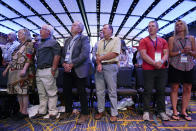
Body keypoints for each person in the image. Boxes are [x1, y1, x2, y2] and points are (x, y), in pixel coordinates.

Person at [60, 21, 90, 125]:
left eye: (75, 25)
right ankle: (68, 111)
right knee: (66, 91)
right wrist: (64, 64)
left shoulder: (84, 38)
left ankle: (85, 113)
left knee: (81, 92)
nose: (72, 26)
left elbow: (84, 54)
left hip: (78, 68)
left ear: (80, 29)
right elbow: (63, 54)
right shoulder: (67, 40)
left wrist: (72, 64)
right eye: (72, 24)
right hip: (67, 69)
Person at [139, 21, 170, 121]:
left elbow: (166, 54)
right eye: (149, 26)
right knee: (147, 90)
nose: (150, 28)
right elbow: (143, 55)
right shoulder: (144, 40)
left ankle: (161, 111)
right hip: (148, 69)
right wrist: (154, 63)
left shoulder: (163, 41)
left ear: (157, 28)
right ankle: (146, 111)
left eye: (153, 26)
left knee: (161, 91)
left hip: (161, 69)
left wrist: (161, 61)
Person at [2, 29, 35, 120]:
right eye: (18, 33)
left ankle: (24, 111)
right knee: (18, 91)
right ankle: (21, 110)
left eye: (20, 33)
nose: (18, 34)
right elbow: (13, 59)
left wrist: (24, 69)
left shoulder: (29, 43)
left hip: (23, 71)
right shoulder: (18, 45)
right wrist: (6, 69)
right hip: (14, 71)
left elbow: (29, 58)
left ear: (26, 34)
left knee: (24, 92)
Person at [168, 20, 196, 121]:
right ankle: (175, 111)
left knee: (188, 88)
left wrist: (190, 52)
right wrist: (181, 51)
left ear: (185, 26)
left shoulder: (192, 38)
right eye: (177, 25)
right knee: (174, 88)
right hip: (175, 65)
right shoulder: (172, 39)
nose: (179, 26)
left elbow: (195, 54)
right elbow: (170, 54)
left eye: (181, 24)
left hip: (189, 65)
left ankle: (184, 111)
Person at [32, 25, 61, 120]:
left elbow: (57, 56)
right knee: (41, 93)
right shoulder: (40, 43)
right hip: (39, 70)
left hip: (48, 69)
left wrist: (53, 69)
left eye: (43, 29)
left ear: (49, 32)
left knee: (51, 92)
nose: (40, 30)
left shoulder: (53, 42)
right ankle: (42, 111)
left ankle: (53, 112)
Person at [94, 24, 121, 122]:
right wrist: (98, 63)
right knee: (99, 90)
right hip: (100, 67)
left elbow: (114, 53)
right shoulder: (100, 42)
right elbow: (97, 54)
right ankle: (101, 111)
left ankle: (114, 113)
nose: (103, 30)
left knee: (112, 90)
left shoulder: (116, 39)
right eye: (102, 29)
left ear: (111, 30)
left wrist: (100, 59)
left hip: (111, 66)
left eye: (105, 28)